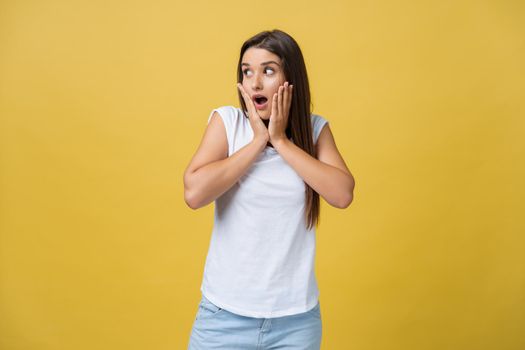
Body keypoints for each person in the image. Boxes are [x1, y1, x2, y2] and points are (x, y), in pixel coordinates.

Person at [183, 29, 355, 350]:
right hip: (223, 317)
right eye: (247, 71)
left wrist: (281, 142)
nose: (255, 83)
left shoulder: (315, 131)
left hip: (295, 323)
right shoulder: (228, 123)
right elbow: (194, 193)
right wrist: (258, 142)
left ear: (291, 78)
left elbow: (342, 194)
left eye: (268, 70)